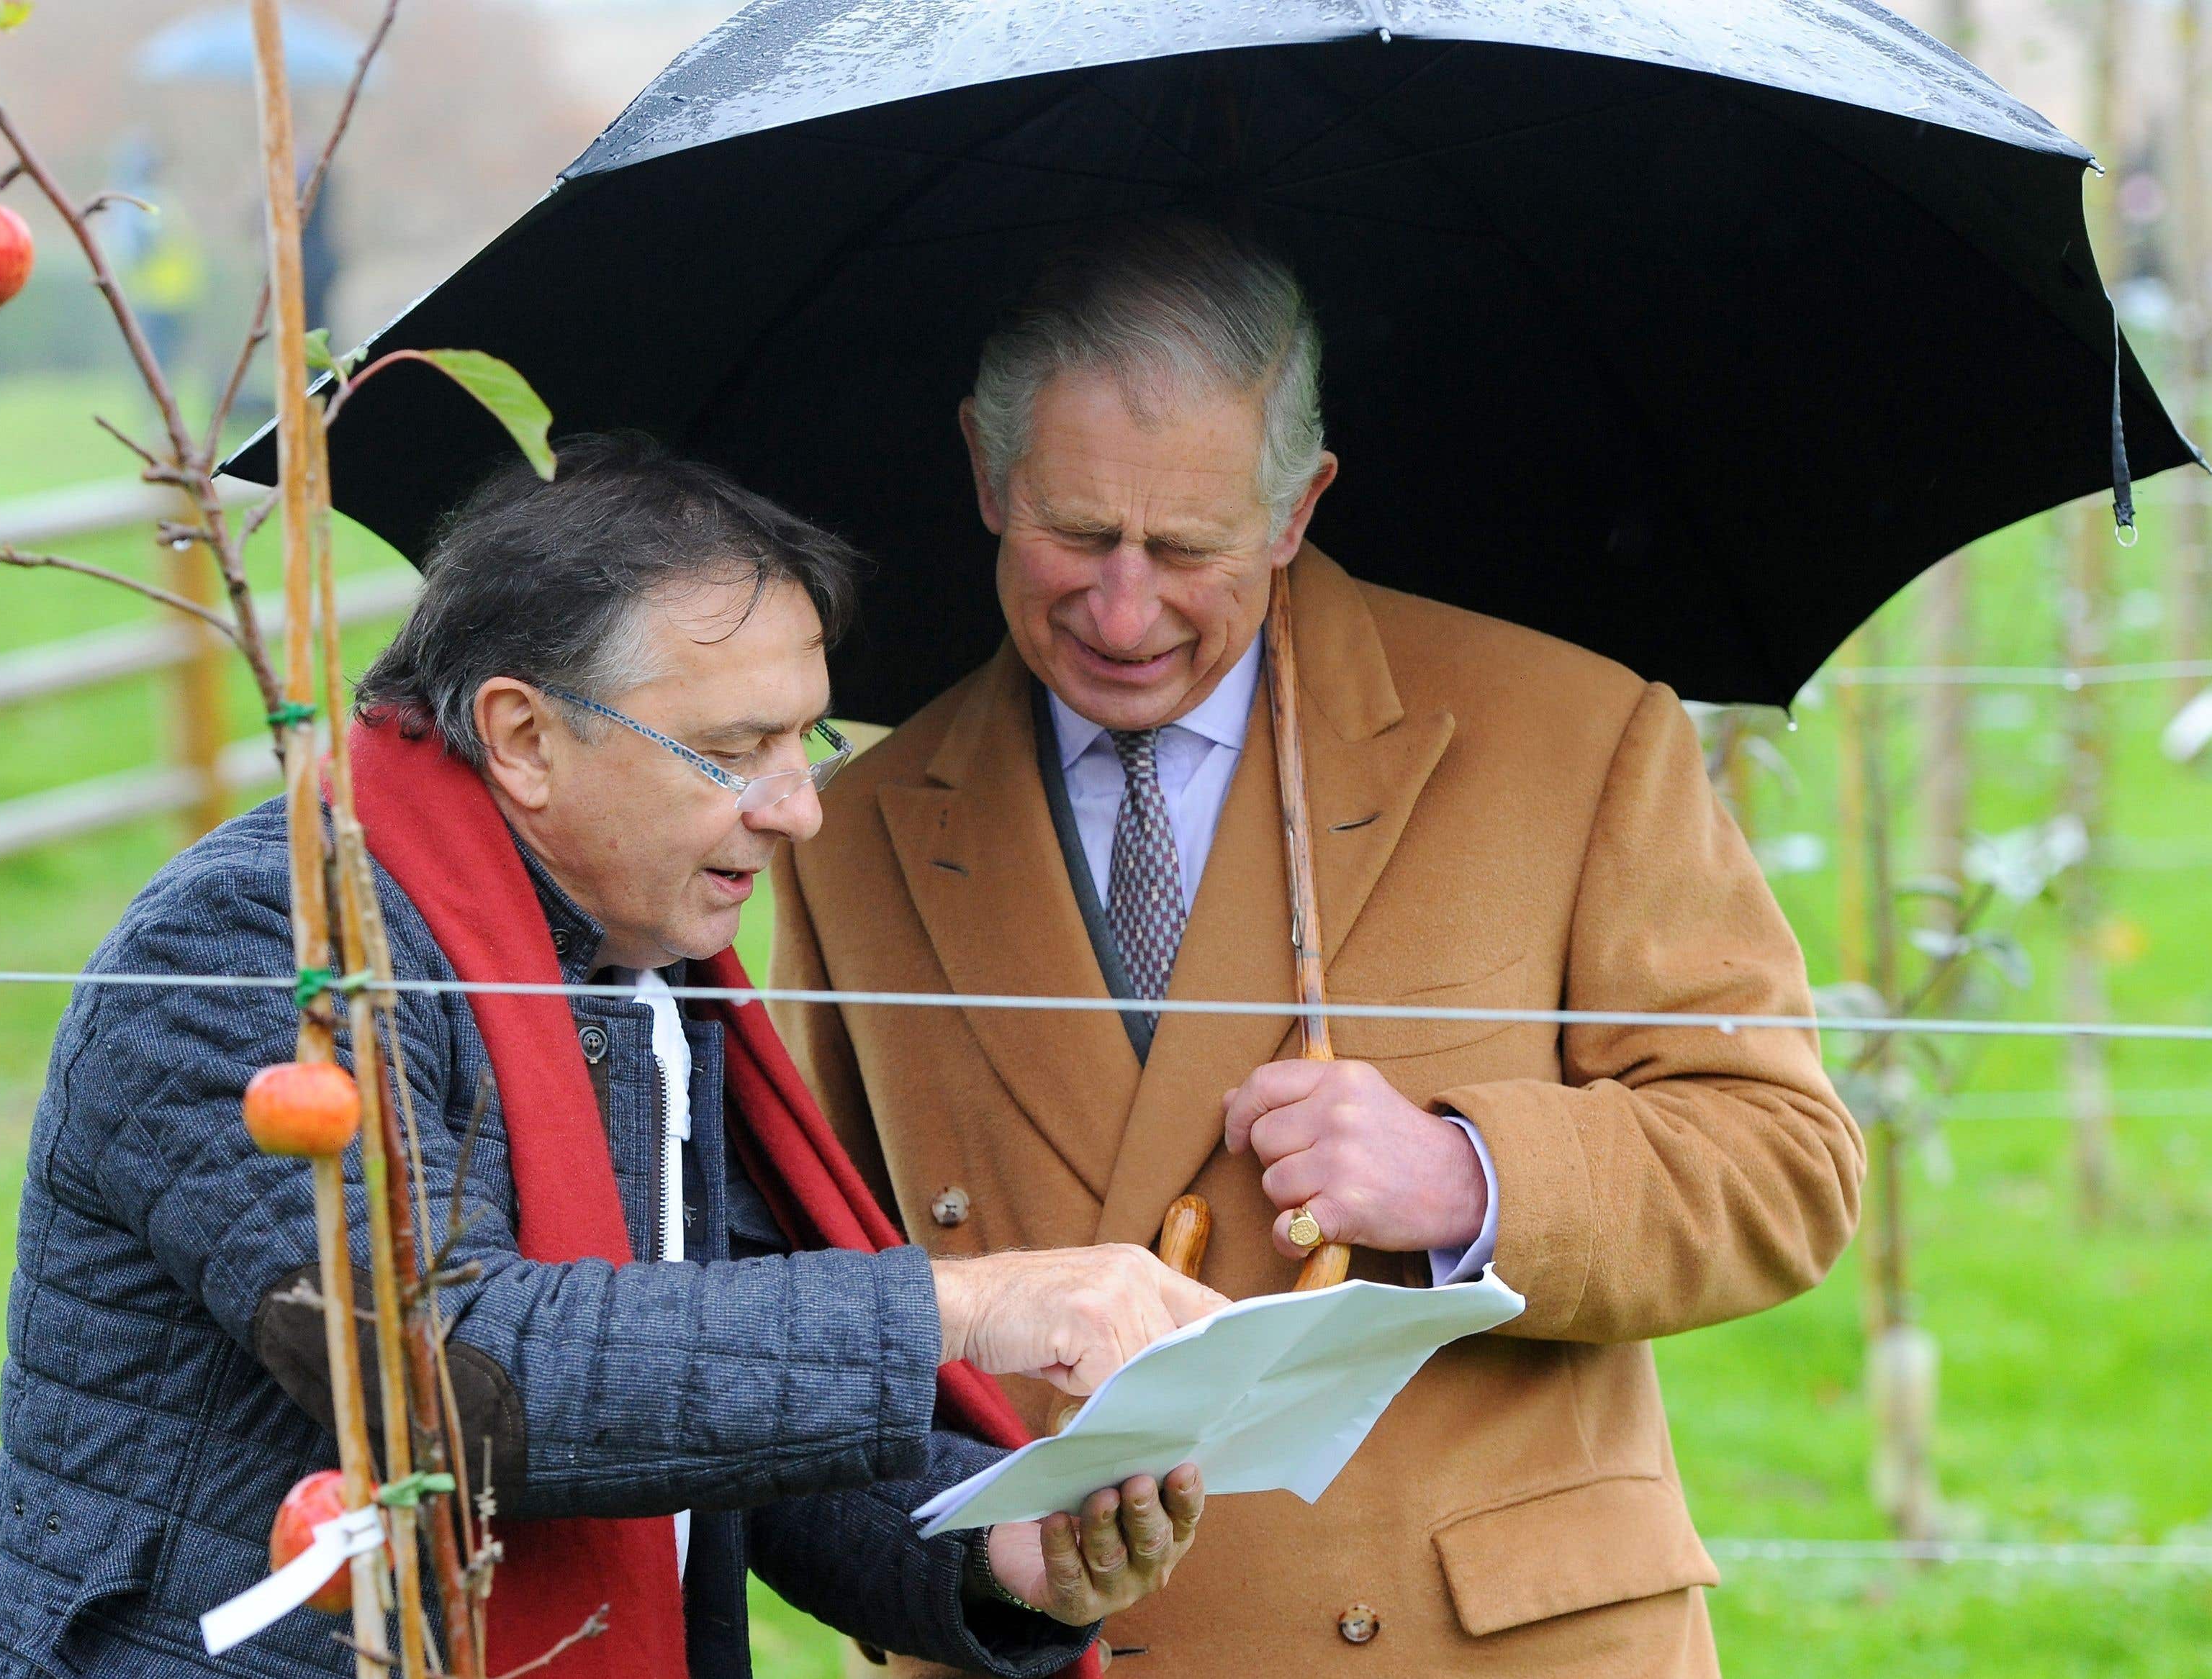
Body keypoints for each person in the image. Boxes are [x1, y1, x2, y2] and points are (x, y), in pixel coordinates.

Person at [772, 220, 1865, 1677]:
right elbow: (832, 1285)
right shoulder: (852, 827)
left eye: (1188, 549)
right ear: (984, 467)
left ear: (1298, 509)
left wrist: (1471, 1178)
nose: (1122, 608)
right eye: (1076, 534)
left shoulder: (1571, 733)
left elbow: (1786, 1167)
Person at [0, 434, 1224, 1679]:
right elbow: (453, 1368)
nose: (799, 805)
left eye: (807, 740)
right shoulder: (256, 949)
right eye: (733, 751)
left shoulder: (640, 964)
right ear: (521, 735)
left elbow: (719, 1402)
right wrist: (967, 1303)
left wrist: (1001, 1550)